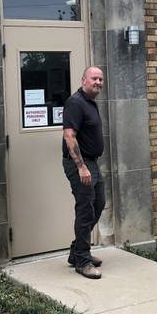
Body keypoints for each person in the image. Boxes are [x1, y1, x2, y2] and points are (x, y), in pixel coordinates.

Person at [62, 66, 106, 279]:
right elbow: (69, 136)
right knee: (85, 209)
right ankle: (82, 261)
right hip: (80, 164)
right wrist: (81, 167)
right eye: (94, 78)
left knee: (98, 204)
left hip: (92, 163)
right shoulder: (75, 103)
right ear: (83, 80)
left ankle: (76, 251)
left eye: (100, 79)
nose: (98, 82)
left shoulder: (89, 102)